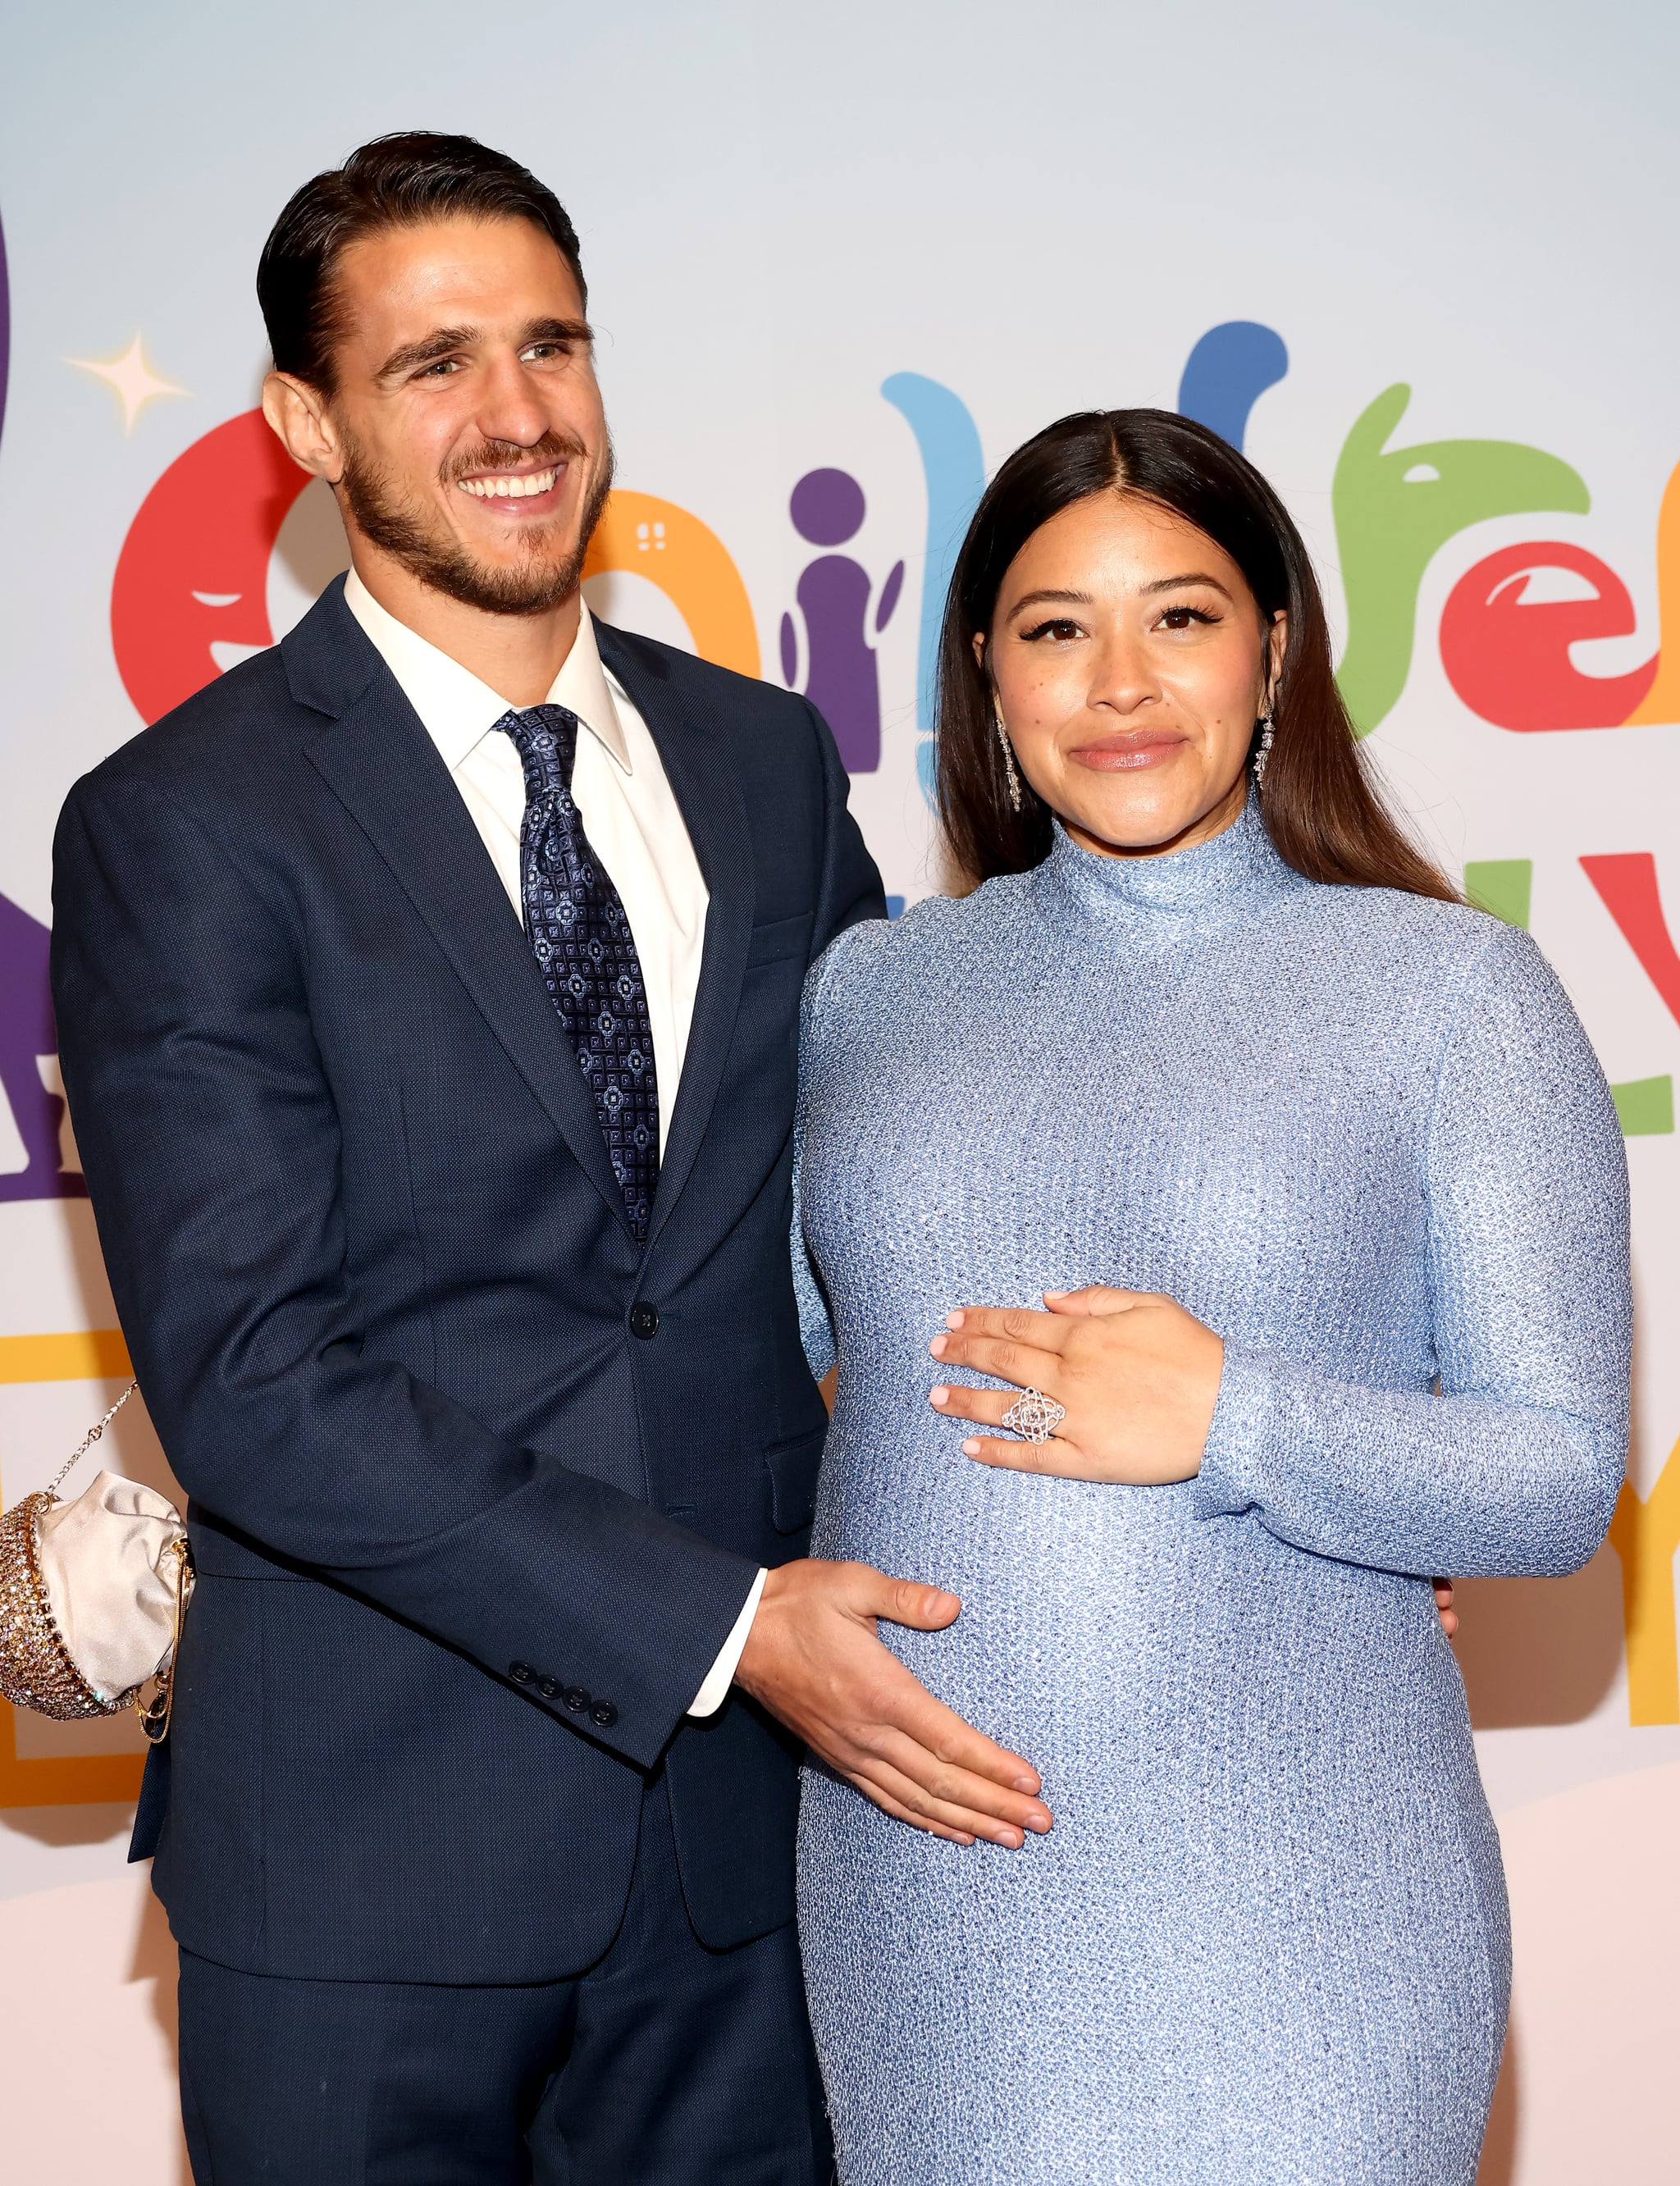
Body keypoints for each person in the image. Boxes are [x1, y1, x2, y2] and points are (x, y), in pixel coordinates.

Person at [49, 132, 1051, 2185]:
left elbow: (910, 1202)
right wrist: (722, 1623)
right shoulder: (182, 822)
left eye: (549, 347)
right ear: (305, 424)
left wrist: (1251, 1527)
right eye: (433, 366)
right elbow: (252, 1382)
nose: (515, 417)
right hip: (361, 1879)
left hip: (749, 1879)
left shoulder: (765, 760)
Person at [791, 409, 1630, 2184]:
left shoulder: (1448, 992)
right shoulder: (867, 993)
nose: (1117, 682)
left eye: (1177, 616)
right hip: (925, 1903)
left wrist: (1239, 1420)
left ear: (1273, 653)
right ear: (983, 679)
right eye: (1051, 627)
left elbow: (1557, 1476)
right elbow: (804, 1382)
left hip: (1305, 1902)